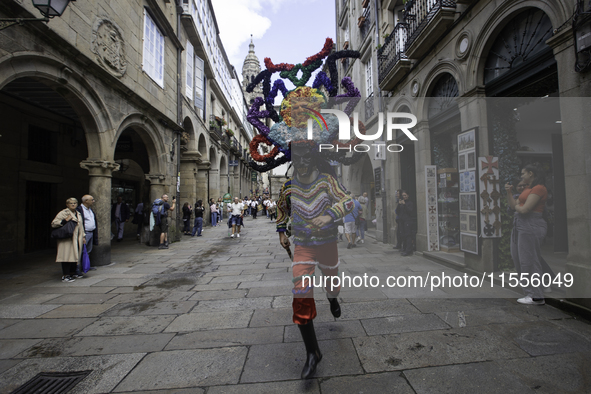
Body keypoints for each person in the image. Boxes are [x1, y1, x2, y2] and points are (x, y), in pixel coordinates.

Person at [505, 163, 549, 305]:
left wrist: (518, 208)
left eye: (523, 173)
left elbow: (525, 210)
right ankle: (529, 292)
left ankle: (536, 295)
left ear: (531, 173)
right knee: (518, 258)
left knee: (530, 260)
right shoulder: (528, 189)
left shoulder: (539, 188)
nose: (521, 176)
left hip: (530, 224)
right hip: (520, 225)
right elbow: (514, 206)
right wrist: (509, 192)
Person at [52, 198, 86, 282]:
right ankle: (65, 275)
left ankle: (72, 272)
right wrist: (65, 220)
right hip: (67, 238)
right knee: (66, 256)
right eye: (71, 203)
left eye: (75, 203)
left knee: (74, 256)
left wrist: (83, 236)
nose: (73, 204)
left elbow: (81, 226)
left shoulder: (78, 213)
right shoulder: (63, 213)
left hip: (76, 238)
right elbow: (54, 223)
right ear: (67, 204)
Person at [76, 194, 98, 273]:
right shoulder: (79, 210)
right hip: (84, 233)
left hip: (91, 232)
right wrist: (82, 235)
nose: (93, 201)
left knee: (88, 250)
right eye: (92, 200)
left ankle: (86, 266)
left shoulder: (90, 209)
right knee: (81, 250)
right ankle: (78, 268)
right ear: (86, 201)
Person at [396, 190, 416, 256]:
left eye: (405, 195)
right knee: (403, 235)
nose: (404, 197)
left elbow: (410, 211)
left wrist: (404, 205)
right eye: (403, 195)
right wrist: (399, 204)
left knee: (408, 235)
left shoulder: (410, 203)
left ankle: (409, 250)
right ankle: (404, 248)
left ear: (408, 195)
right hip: (402, 221)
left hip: (408, 221)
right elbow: (398, 211)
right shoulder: (401, 203)